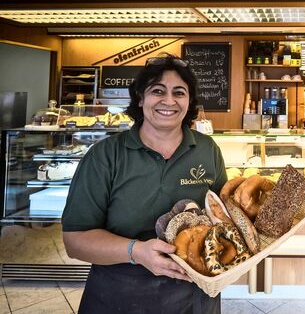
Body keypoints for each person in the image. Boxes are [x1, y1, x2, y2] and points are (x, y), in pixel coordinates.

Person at [62, 53, 227, 313]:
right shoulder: (105, 155)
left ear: (189, 101)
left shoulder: (207, 150)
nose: (169, 101)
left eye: (179, 93)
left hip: (194, 298)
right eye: (157, 91)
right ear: (140, 98)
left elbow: (222, 222)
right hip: (119, 296)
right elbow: (75, 241)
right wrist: (136, 251)